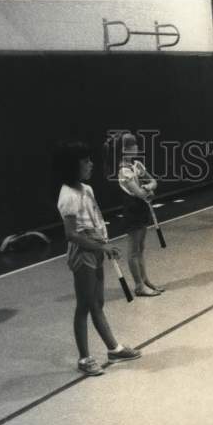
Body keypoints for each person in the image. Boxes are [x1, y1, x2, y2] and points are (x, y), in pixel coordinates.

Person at [55, 141, 142, 376]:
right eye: (85, 161)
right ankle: (84, 358)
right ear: (73, 166)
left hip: (96, 249)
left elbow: (94, 221)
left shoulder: (87, 189)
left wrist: (104, 245)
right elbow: (72, 234)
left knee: (98, 303)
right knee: (84, 305)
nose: (91, 165)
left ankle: (113, 348)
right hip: (83, 254)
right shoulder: (68, 196)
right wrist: (100, 247)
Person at [114, 132, 163, 297]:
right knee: (134, 250)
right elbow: (139, 193)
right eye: (133, 145)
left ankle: (145, 280)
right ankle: (138, 286)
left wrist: (148, 188)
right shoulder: (123, 171)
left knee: (141, 248)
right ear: (125, 149)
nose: (136, 147)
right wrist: (147, 189)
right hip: (132, 211)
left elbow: (154, 182)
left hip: (142, 209)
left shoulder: (137, 165)